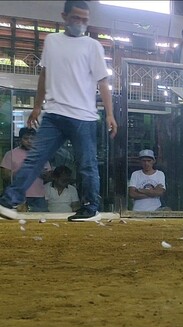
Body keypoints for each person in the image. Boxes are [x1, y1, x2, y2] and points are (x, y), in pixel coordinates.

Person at [0, 1, 117, 222]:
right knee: (35, 157)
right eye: (76, 18)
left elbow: (103, 82)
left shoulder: (93, 46)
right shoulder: (51, 41)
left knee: (87, 164)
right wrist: (37, 106)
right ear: (64, 16)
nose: (81, 23)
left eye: (85, 19)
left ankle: (91, 207)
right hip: (54, 114)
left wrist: (110, 113)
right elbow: (44, 75)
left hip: (83, 116)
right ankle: (9, 201)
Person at [1, 127, 52, 212]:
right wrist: (23, 172)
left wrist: (41, 173)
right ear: (20, 139)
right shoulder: (11, 154)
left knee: (41, 221)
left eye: (32, 138)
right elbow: (5, 176)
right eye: (26, 138)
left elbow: (49, 177)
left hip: (38, 195)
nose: (29, 141)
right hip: (17, 195)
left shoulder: (41, 154)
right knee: (17, 222)